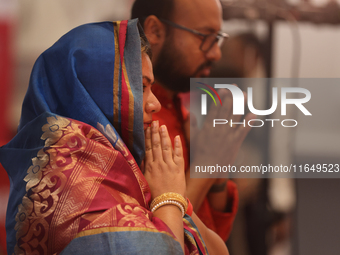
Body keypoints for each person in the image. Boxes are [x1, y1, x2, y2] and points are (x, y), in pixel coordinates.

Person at [0, 20, 229, 255]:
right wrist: (169, 198)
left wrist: (174, 194)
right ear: (92, 92)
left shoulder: (126, 174)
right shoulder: (71, 186)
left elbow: (220, 250)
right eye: (141, 88)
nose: (155, 104)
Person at [131, 0, 254, 241]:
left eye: (218, 38)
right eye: (205, 37)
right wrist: (206, 166)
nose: (216, 53)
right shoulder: (131, 118)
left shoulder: (180, 107)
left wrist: (217, 174)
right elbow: (155, 242)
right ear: (155, 31)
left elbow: (211, 238)